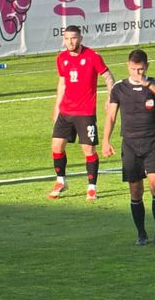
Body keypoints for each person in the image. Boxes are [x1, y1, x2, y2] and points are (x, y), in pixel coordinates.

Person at [101, 48, 155, 246]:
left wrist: (147, 83)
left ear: (146, 67)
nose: (137, 73)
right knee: (135, 190)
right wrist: (105, 141)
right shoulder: (119, 88)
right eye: (134, 69)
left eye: (140, 69)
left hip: (152, 143)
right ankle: (141, 234)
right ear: (128, 66)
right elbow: (111, 116)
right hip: (131, 145)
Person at [49, 26, 115, 201]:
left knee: (88, 150)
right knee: (56, 147)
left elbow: (109, 77)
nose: (70, 42)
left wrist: (110, 97)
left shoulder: (93, 57)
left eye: (74, 38)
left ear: (81, 38)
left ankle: (92, 187)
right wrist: (57, 107)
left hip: (85, 113)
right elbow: (62, 83)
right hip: (66, 112)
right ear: (63, 39)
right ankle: (61, 181)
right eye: (67, 38)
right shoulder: (61, 58)